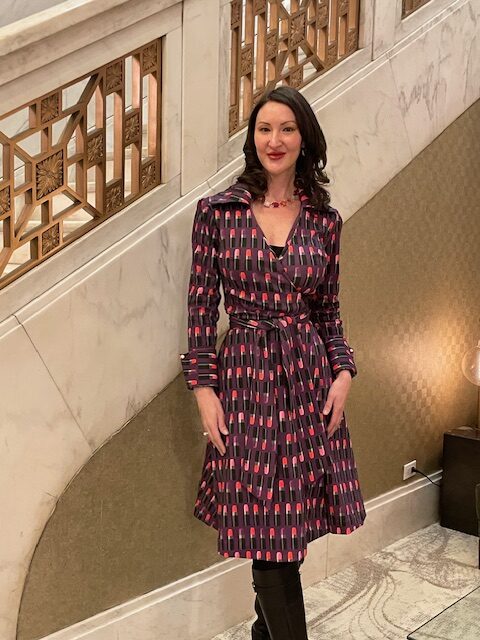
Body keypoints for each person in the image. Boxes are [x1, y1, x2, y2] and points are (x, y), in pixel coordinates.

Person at [179, 86, 367, 640]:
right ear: (252, 138)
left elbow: (329, 310)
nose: (275, 140)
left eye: (287, 128)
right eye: (265, 128)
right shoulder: (218, 214)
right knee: (268, 529)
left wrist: (343, 372)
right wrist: (204, 391)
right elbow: (200, 309)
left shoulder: (325, 221)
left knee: (290, 531)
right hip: (246, 380)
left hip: (309, 379)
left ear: (304, 138)